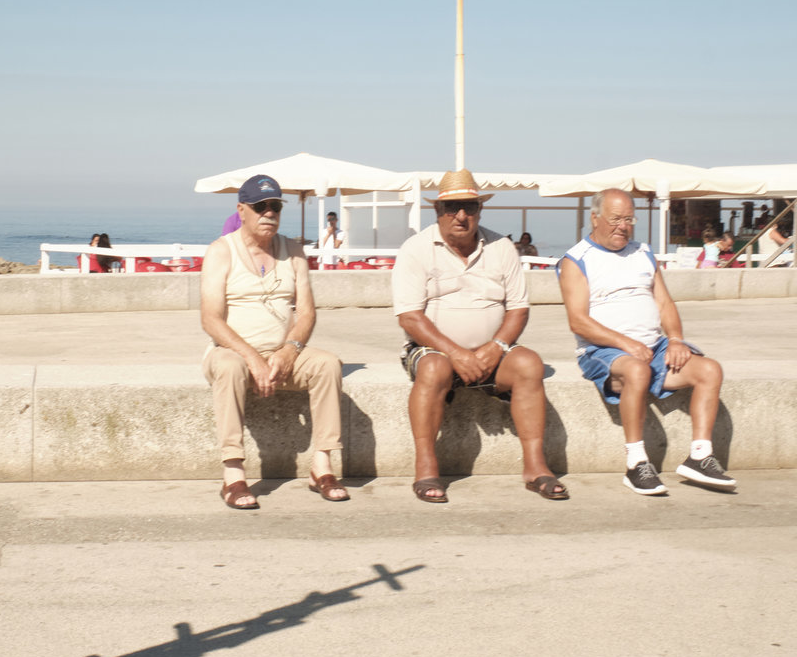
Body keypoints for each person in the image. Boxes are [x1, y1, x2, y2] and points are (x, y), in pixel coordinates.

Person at [391, 169, 565, 503]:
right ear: (438, 212)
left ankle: (535, 466)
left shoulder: (501, 247)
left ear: (479, 211)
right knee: (433, 369)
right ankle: (426, 467)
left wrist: (496, 347)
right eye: (453, 207)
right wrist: (457, 354)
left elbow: (518, 309)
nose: (461, 215)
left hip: (493, 353)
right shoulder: (415, 249)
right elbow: (410, 317)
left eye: (469, 207)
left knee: (529, 363)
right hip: (435, 351)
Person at [559, 188, 735, 495]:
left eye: (629, 219)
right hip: (602, 350)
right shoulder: (577, 260)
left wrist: (677, 339)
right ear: (595, 218)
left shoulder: (643, 253)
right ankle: (636, 463)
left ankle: (700, 456)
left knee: (710, 370)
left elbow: (664, 303)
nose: (623, 226)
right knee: (637, 372)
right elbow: (578, 321)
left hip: (654, 347)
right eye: (616, 219)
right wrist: (626, 343)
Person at [200, 174, 348, 509]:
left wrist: (288, 351)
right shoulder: (221, 252)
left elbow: (307, 313)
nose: (269, 213)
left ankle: (321, 465)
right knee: (228, 367)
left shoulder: (294, 251)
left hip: (283, 353)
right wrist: (252, 357)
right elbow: (210, 319)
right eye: (260, 206)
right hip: (233, 352)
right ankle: (233, 473)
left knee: (327, 364)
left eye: (275, 206)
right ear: (241, 210)